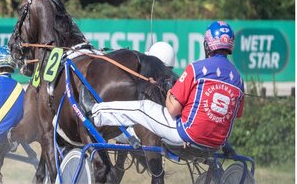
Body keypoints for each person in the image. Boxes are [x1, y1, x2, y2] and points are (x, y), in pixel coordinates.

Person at [92, 21, 244, 149]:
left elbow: (172, 110)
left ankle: (95, 113)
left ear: (207, 45)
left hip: (186, 134)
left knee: (141, 107)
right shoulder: (238, 79)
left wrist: (170, 93)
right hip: (218, 143)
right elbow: (235, 114)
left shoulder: (196, 68)